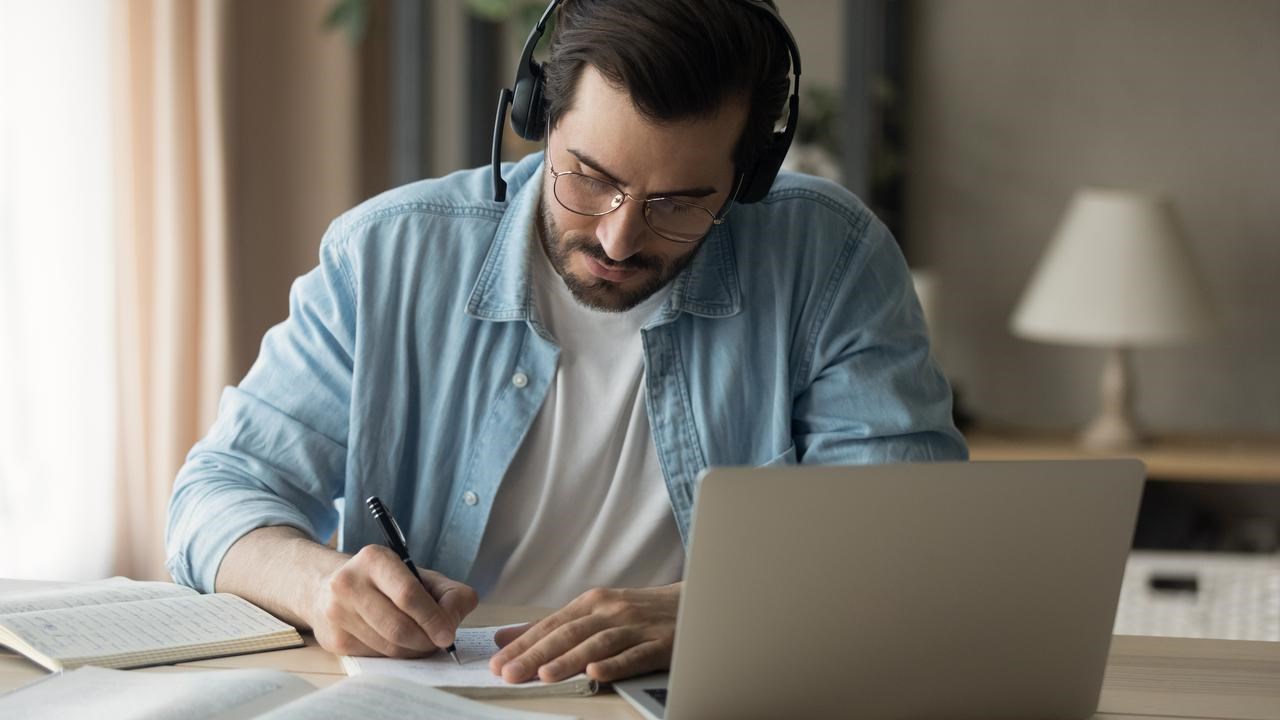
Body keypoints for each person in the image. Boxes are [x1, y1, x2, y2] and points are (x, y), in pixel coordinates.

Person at [166, 0, 966, 687]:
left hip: (704, 692)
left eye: (679, 203)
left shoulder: (831, 259)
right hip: (437, 700)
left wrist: (714, 610)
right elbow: (215, 496)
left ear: (747, 180)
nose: (619, 238)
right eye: (588, 177)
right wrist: (320, 586)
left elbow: (911, 537)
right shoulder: (386, 256)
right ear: (538, 118)